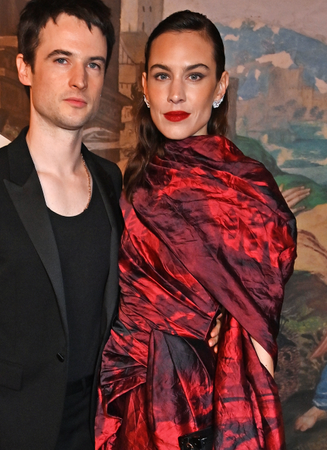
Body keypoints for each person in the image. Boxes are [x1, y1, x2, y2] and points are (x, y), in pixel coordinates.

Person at [95, 10, 297, 450]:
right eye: (163, 75)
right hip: (127, 397)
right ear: (145, 87)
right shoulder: (130, 183)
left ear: (220, 87)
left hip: (205, 407)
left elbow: (258, 336)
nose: (176, 93)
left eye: (195, 75)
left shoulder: (247, 190)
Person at [0, 1, 122, 449]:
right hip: (9, 430)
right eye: (62, 60)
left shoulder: (112, 182)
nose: (80, 80)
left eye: (93, 64)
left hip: (98, 428)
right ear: (25, 68)